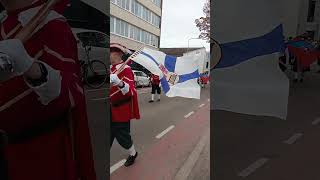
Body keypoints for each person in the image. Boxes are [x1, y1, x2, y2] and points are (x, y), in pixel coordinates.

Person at [0, 0, 96, 179]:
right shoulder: (4, 21)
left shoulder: (53, 25)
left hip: (38, 156)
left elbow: (70, 93)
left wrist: (31, 68)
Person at [109, 43, 140, 167]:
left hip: (121, 108)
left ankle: (133, 153)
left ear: (117, 54)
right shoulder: (111, 69)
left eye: (110, 52)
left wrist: (118, 82)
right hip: (109, 107)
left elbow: (130, 91)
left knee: (122, 135)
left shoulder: (126, 69)